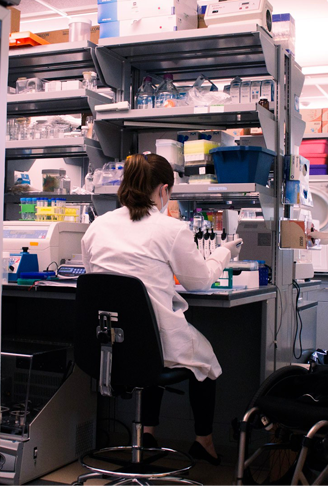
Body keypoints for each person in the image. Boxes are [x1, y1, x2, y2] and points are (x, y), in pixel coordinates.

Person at [81, 153, 243, 465]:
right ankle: (203, 440)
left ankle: (149, 433)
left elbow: (95, 281)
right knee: (205, 362)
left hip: (107, 344)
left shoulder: (97, 227)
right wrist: (223, 252)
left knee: (146, 349)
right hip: (152, 341)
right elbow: (198, 282)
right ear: (164, 190)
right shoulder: (170, 228)